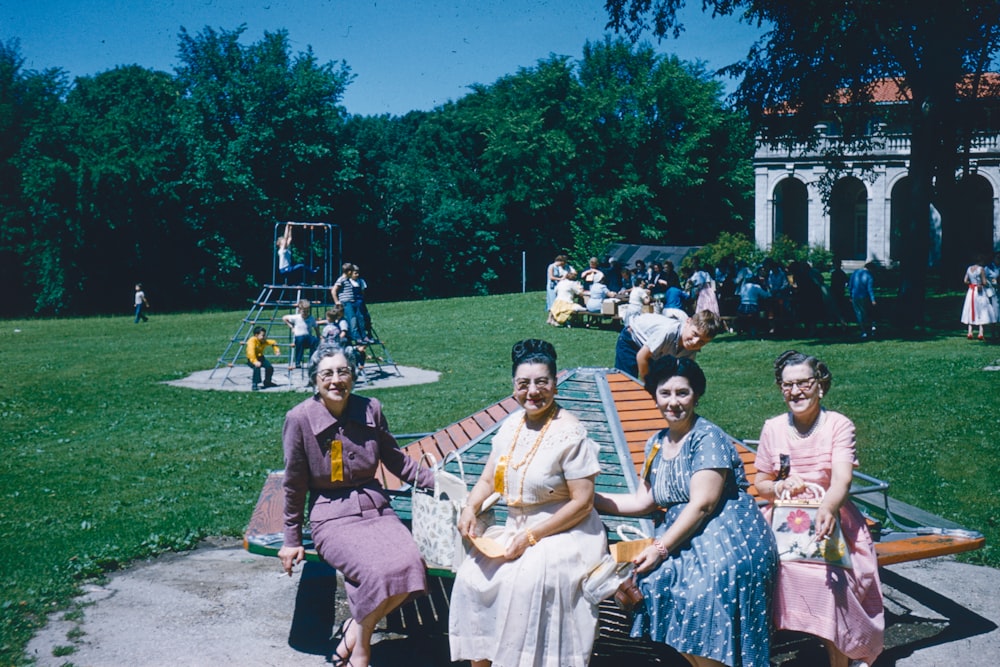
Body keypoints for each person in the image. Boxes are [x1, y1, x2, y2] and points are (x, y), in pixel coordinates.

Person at [594, 356, 778, 667]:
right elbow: (644, 501)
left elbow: (703, 504)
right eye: (665, 393)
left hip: (727, 536)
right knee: (653, 586)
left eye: (683, 393)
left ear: (696, 395)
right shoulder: (655, 443)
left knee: (701, 594)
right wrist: (588, 496)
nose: (673, 402)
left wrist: (660, 547)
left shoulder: (707, 437)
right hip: (687, 539)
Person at [449, 339, 606, 667]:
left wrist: (532, 536)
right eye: (523, 384)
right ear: (513, 387)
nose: (532, 392)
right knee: (471, 578)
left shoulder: (570, 433)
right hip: (515, 528)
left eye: (541, 382)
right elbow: (487, 480)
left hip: (564, 532)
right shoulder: (510, 427)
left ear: (555, 384)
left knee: (525, 583)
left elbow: (582, 503)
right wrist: (469, 508)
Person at [278, 345, 434, 667]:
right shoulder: (299, 419)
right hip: (331, 518)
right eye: (327, 374)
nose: (336, 380)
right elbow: (293, 483)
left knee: (412, 566)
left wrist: (441, 484)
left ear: (353, 375)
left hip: (377, 510)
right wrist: (292, 539)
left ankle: (355, 628)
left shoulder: (371, 409)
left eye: (343, 371)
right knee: (376, 573)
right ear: (315, 381)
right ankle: (362, 652)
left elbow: (395, 459)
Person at [754, 350, 884, 667]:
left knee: (830, 583)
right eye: (787, 385)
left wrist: (827, 505)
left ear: (820, 385)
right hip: (783, 520)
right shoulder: (773, 427)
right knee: (757, 572)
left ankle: (839, 660)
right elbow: (761, 481)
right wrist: (778, 487)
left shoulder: (838, 425)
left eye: (803, 383)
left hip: (832, 517)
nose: (795, 392)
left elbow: (842, 479)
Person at [614, 310, 723, 381]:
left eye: (702, 342)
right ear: (688, 322)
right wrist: (647, 385)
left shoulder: (691, 348)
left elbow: (683, 372)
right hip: (632, 339)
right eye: (694, 334)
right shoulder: (669, 332)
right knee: (625, 381)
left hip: (655, 350)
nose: (695, 342)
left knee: (661, 380)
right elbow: (641, 357)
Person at [333, 263, 367, 344]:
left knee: (359, 318)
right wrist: (337, 302)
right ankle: (356, 337)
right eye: (352, 271)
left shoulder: (348, 280)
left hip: (353, 302)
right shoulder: (341, 279)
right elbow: (333, 291)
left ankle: (363, 336)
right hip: (346, 302)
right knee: (352, 319)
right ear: (349, 272)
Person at [961, 253, 993, 340]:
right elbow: (984, 282)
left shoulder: (969, 268)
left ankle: (970, 331)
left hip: (971, 291)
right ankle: (980, 332)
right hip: (979, 291)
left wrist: (971, 284)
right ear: (981, 261)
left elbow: (965, 280)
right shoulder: (981, 269)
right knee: (981, 309)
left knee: (970, 308)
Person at [283, 299, 319, 369]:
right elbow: (284, 318)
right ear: (299, 310)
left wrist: (318, 336)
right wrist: (292, 327)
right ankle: (298, 362)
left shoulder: (311, 318)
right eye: (304, 311)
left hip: (308, 337)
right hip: (299, 337)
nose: (305, 313)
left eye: (307, 311)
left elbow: (316, 327)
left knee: (315, 341)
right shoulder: (296, 317)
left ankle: (311, 361)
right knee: (300, 340)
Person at [245, 326, 279, 391]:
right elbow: (250, 352)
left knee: (269, 367)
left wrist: (276, 350)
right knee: (256, 367)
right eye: (262, 335)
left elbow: (273, 342)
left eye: (264, 335)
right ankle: (255, 384)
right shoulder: (252, 341)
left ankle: (267, 381)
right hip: (252, 358)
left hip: (261, 358)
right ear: (256, 335)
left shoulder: (262, 340)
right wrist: (255, 361)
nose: (264, 337)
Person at [848, 262, 877, 339]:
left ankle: (863, 330)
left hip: (855, 295)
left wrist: (850, 295)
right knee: (865, 313)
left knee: (858, 313)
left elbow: (850, 285)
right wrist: (873, 299)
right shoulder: (869, 276)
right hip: (864, 296)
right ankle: (869, 329)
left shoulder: (855, 273)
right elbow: (870, 289)